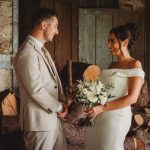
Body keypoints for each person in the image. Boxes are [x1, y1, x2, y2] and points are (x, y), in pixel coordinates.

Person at [13, 8, 68, 150]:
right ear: (44, 25)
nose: (57, 31)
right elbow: (36, 90)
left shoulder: (41, 49)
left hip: (53, 120)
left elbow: (53, 81)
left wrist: (63, 101)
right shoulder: (27, 52)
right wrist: (59, 107)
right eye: (55, 26)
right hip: (39, 124)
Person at [84, 23, 145, 150]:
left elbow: (132, 98)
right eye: (108, 41)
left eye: (112, 41)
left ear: (125, 42)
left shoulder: (135, 64)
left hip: (116, 116)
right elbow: (103, 90)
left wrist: (102, 108)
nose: (108, 45)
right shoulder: (111, 65)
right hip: (98, 114)